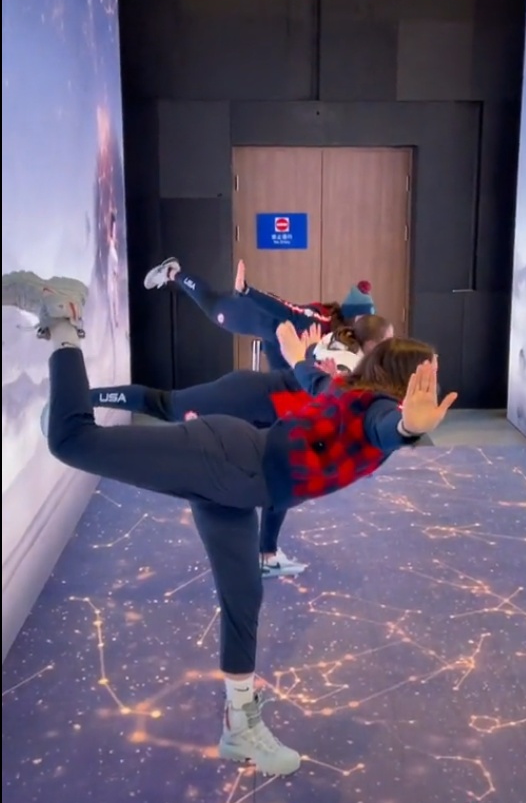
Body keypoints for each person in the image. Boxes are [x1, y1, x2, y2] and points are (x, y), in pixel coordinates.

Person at [1, 270, 456, 777]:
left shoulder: (346, 391)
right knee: (71, 441)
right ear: (405, 379)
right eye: (431, 373)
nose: (438, 382)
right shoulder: (377, 411)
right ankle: (62, 320)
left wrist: (299, 356)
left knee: (244, 596)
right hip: (227, 461)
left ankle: (240, 726)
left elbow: (312, 379)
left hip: (239, 485)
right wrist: (410, 425)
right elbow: (387, 428)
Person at [61, 314, 395, 580]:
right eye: (389, 342)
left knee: (281, 491)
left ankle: (267, 554)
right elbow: (325, 393)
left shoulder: (351, 362)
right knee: (165, 404)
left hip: (268, 422)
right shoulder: (348, 366)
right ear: (372, 345)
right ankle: (80, 398)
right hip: (246, 397)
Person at [143, 257, 376, 369]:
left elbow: (285, 352)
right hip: (254, 313)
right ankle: (172, 272)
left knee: (211, 303)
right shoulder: (319, 322)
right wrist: (248, 292)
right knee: (211, 305)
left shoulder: (336, 340)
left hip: (265, 329)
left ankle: (174, 273)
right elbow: (285, 309)